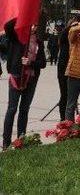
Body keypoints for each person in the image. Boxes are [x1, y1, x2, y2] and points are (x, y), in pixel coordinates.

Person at [2, 21, 46, 149]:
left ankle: (21, 139)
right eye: (32, 24)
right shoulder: (17, 37)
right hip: (17, 76)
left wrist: (31, 62)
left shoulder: (38, 42)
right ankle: (6, 142)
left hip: (31, 78)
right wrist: (23, 15)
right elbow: (7, 26)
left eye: (36, 25)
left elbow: (42, 63)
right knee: (12, 109)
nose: (34, 27)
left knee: (24, 109)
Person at [57, 18, 78, 121]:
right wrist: (72, 26)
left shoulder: (76, 38)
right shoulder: (65, 35)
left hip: (73, 68)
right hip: (63, 68)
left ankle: (69, 118)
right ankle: (63, 118)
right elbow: (63, 35)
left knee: (72, 96)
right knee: (64, 94)